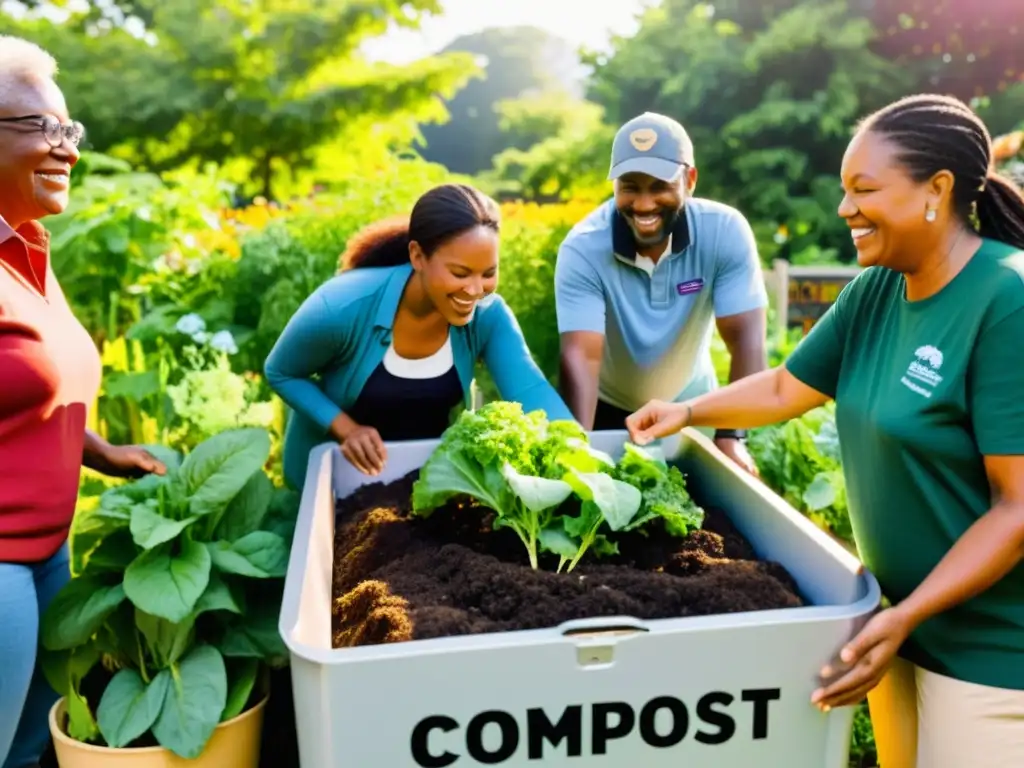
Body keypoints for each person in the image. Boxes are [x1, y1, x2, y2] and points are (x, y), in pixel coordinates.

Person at [625, 93, 1024, 768]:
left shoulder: (1005, 301)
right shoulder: (878, 289)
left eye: (865, 189)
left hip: (989, 649)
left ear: (939, 189)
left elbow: (1017, 507)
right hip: (895, 625)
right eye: (844, 190)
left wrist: (907, 614)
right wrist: (689, 411)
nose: (845, 209)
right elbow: (787, 387)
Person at [0, 36, 166, 768]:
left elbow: (33, 390)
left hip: (47, 553)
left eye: (69, 129)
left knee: (36, 744)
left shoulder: (29, 252)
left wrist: (103, 454)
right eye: (42, 126)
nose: (66, 147)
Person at [265, 182, 575, 489]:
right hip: (334, 480)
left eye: (488, 273)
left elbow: (531, 388)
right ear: (417, 256)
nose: (475, 290)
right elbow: (281, 372)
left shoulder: (487, 315)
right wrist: (348, 430)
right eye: (460, 273)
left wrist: (578, 456)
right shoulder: (342, 307)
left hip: (425, 485)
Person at [554, 111, 768, 476]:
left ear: (690, 179)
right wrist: (576, 448)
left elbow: (746, 338)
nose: (643, 204)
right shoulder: (584, 248)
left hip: (691, 407)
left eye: (659, 186)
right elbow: (582, 357)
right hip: (607, 410)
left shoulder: (724, 232)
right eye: (630, 187)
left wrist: (733, 435)